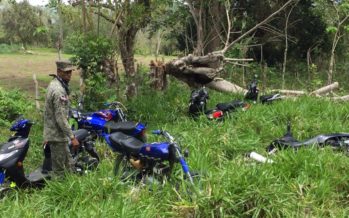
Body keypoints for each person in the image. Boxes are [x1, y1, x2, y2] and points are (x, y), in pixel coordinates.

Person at [43, 60, 79, 176]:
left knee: (69, 165)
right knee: (59, 171)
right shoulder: (59, 91)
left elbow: (49, 111)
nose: (69, 75)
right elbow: (61, 118)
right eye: (66, 72)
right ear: (59, 71)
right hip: (57, 136)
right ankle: (58, 193)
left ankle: (71, 190)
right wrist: (72, 137)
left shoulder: (53, 83)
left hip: (54, 133)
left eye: (70, 72)